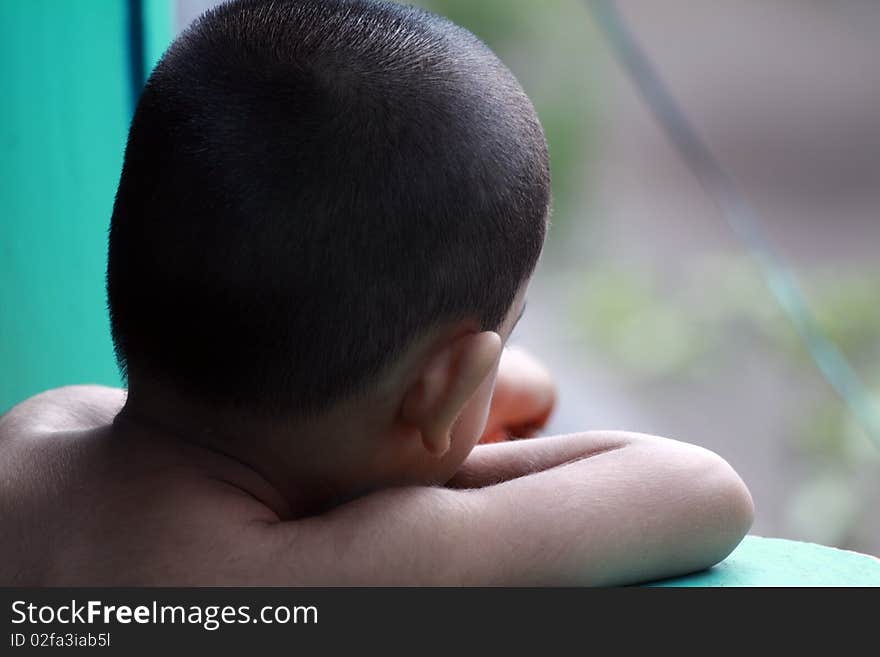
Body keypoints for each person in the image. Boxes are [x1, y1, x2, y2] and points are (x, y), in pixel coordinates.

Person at [0, 0, 752, 585]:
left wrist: (456, 393)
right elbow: (704, 491)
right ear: (437, 391)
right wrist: (442, 419)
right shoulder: (312, 577)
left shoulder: (40, 430)